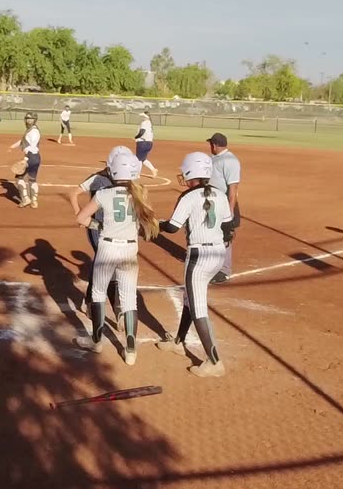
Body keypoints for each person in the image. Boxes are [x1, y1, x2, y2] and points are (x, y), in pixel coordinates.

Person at [74, 152, 159, 366]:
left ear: (113, 171)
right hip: (130, 250)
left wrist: (99, 226)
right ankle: (130, 351)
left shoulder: (104, 193)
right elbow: (149, 225)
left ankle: (96, 341)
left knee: (98, 293)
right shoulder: (140, 193)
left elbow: (81, 219)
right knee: (129, 298)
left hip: (107, 248)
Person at [157, 152, 235, 377]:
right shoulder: (220, 194)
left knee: (198, 306)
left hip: (198, 256)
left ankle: (214, 362)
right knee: (190, 299)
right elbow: (228, 225)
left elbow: (172, 227)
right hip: (218, 253)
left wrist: (156, 225)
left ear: (192, 173)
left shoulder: (188, 197)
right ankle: (179, 342)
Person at [69, 146, 133, 311]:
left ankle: (93, 301)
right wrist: (80, 215)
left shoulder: (126, 179)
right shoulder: (97, 178)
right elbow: (74, 193)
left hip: (117, 228)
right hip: (98, 228)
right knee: (105, 263)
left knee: (104, 264)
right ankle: (113, 307)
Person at [205, 133, 241, 284]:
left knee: (225, 236)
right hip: (212, 202)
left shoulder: (230, 161)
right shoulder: (215, 158)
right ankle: (212, 263)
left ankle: (224, 270)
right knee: (211, 232)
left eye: (210, 144)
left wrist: (230, 213)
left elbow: (233, 189)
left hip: (224, 203)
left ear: (214, 145)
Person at [9, 111, 42, 208]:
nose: (28, 120)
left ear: (34, 120)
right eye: (27, 118)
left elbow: (32, 147)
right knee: (32, 180)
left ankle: (25, 199)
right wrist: (12, 146)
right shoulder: (30, 130)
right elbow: (23, 141)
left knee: (18, 177)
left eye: (30, 118)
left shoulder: (34, 132)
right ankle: (34, 201)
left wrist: (25, 159)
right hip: (36, 158)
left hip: (31, 157)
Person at [134, 111, 159, 177]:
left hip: (143, 142)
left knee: (138, 159)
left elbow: (142, 131)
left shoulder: (144, 123)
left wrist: (136, 137)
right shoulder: (150, 123)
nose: (142, 118)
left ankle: (137, 174)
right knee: (143, 158)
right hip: (149, 143)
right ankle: (153, 169)